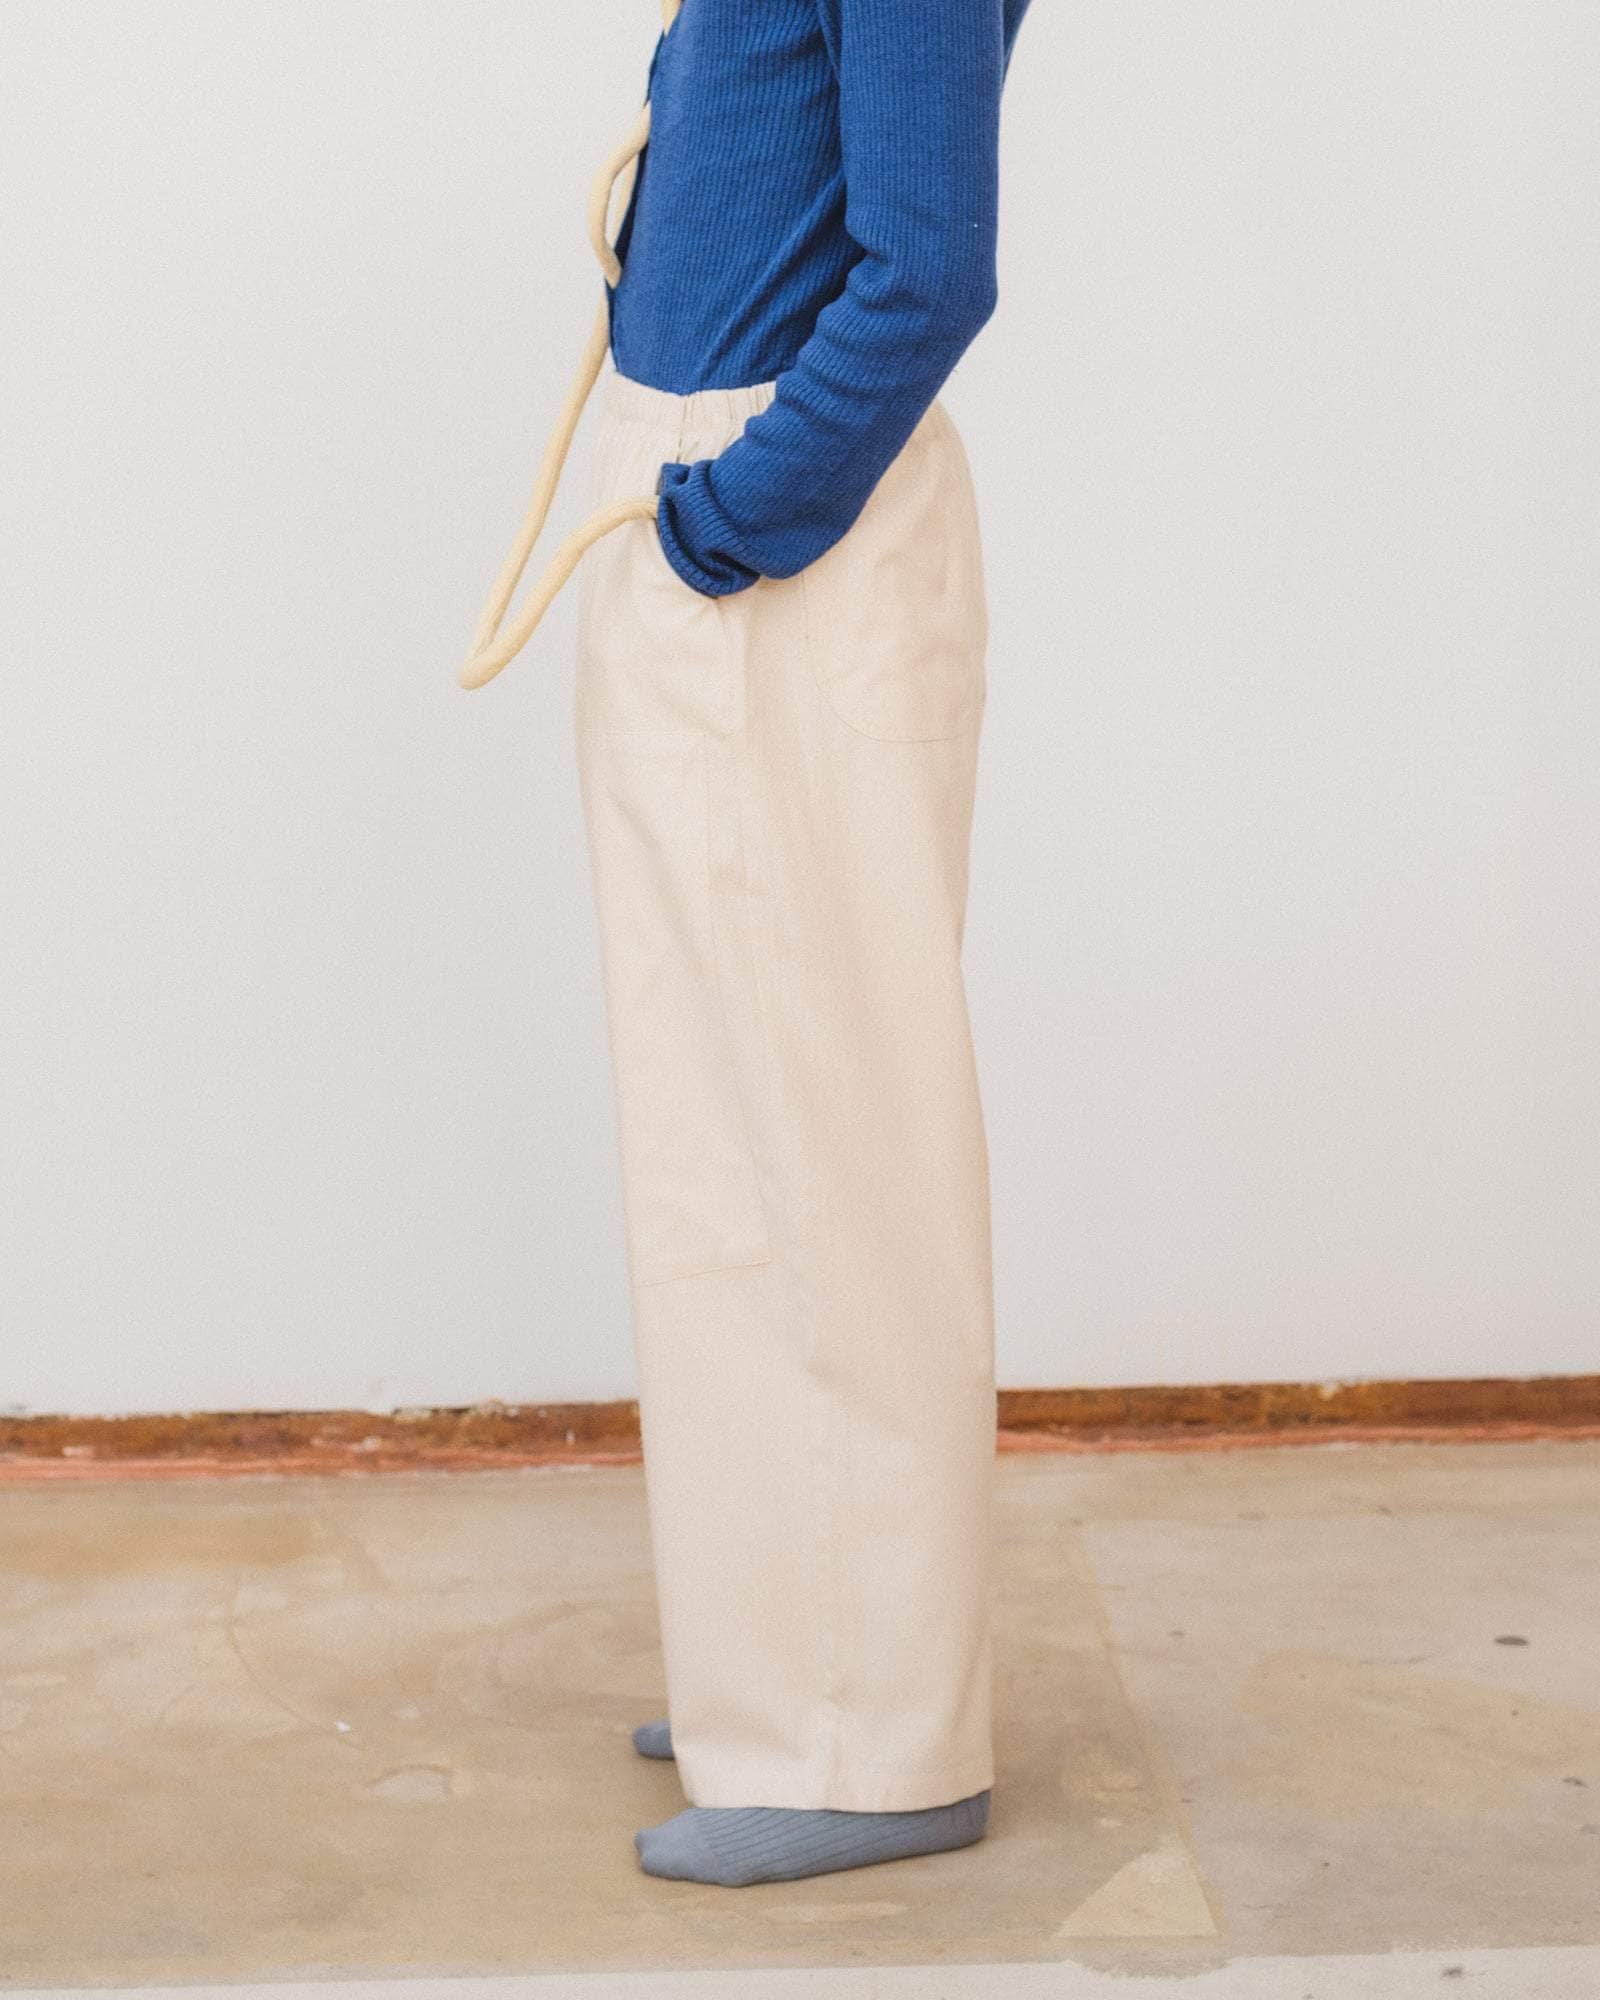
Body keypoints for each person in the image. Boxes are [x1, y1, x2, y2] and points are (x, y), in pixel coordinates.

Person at [463, 0, 1033, 1887]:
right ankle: (779, 1657)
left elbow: (932, 266)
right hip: (716, 515)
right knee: (729, 1136)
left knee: (815, 1137)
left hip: (776, 544)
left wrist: (739, 516)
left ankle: (862, 1738)